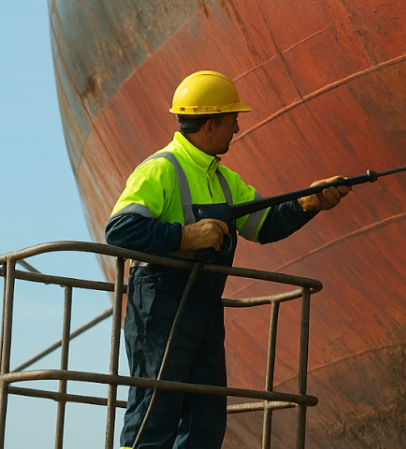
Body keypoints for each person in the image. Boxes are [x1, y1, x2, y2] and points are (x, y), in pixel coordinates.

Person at [105, 70, 350, 449]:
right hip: (159, 306)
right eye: (232, 119)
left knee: (206, 425)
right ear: (209, 125)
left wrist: (308, 203)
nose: (237, 128)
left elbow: (265, 225)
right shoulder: (160, 169)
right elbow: (120, 231)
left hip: (202, 310)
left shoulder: (225, 181)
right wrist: (186, 236)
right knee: (153, 417)